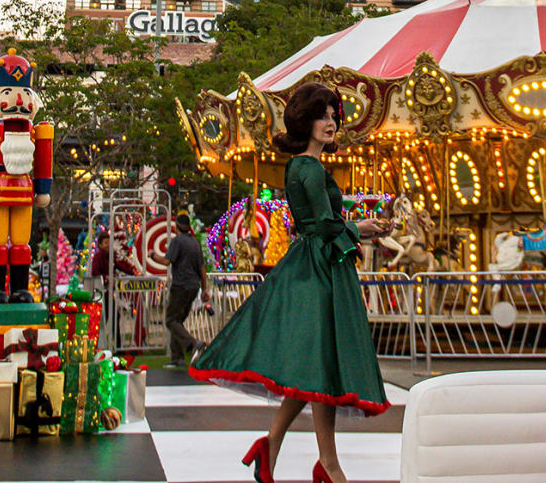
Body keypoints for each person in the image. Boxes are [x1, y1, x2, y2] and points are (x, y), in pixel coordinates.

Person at [190, 83, 388, 483]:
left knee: (313, 369)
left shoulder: (307, 167)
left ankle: (274, 446)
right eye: (322, 115)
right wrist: (359, 227)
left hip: (317, 265)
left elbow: (325, 222)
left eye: (333, 115)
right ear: (305, 120)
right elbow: (325, 225)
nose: (330, 122)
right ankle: (327, 465)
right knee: (320, 367)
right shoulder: (307, 167)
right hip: (318, 268)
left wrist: (355, 225)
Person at [164, 214, 205, 367]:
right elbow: (202, 268)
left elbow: (167, 261)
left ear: (177, 226)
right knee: (178, 321)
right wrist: (205, 288)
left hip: (180, 285)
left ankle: (193, 343)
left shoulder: (177, 241)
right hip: (194, 286)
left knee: (170, 320)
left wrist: (152, 255)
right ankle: (177, 357)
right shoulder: (195, 243)